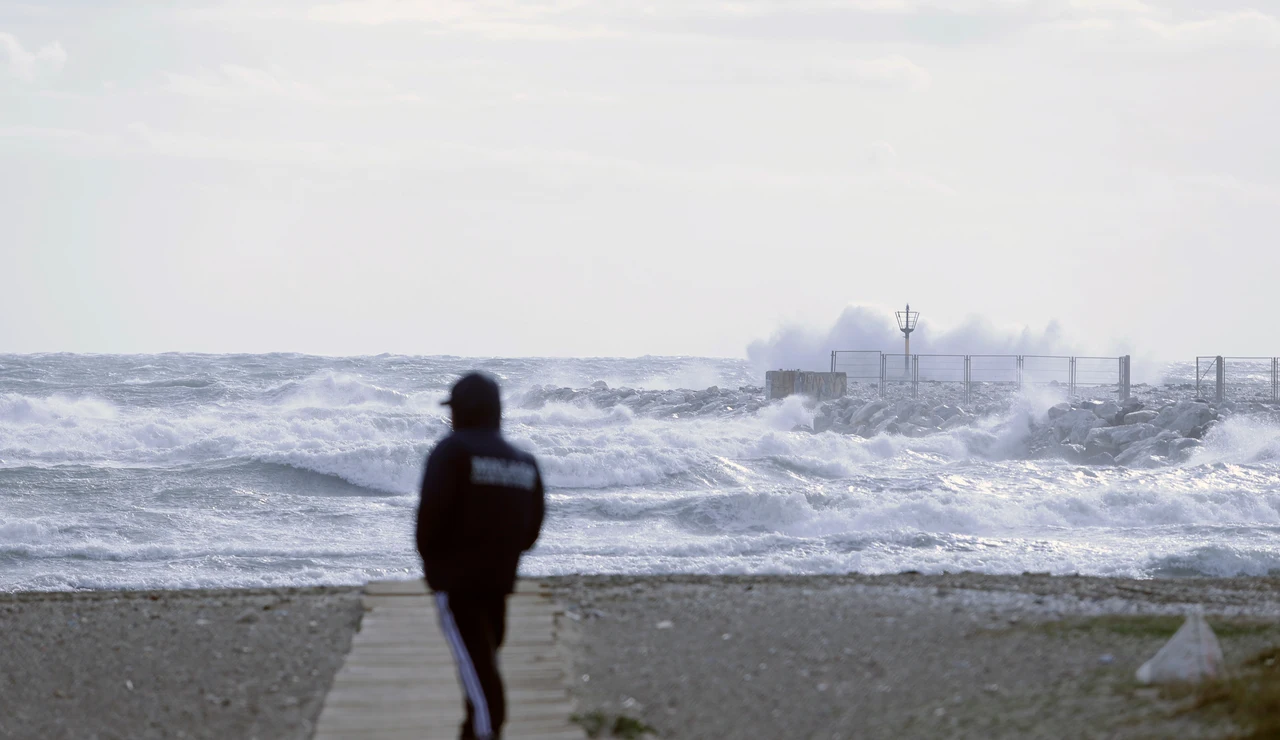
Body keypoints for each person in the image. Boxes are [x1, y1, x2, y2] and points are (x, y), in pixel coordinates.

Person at [417, 372, 546, 740]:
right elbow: (531, 531)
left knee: (482, 681)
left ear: (462, 412)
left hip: (458, 586)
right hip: (500, 582)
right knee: (483, 668)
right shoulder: (524, 462)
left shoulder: (452, 451)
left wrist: (434, 568)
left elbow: (430, 517)